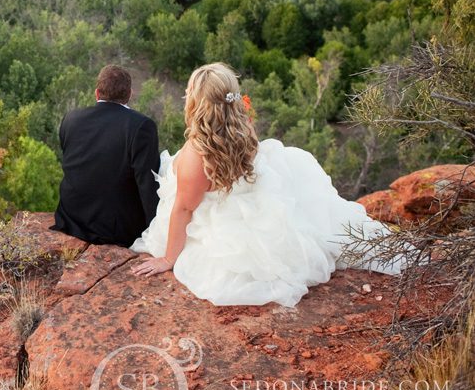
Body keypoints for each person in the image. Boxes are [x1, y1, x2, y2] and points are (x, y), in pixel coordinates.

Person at [130, 63, 404, 307]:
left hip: (222, 220)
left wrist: (168, 259)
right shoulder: (243, 127)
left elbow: (185, 209)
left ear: (198, 104)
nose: (185, 96)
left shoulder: (196, 154)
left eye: (189, 92)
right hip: (245, 196)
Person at [52, 65, 160, 246]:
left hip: (70, 219)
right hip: (115, 230)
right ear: (129, 94)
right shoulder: (141, 126)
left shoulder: (71, 118)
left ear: (97, 93)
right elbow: (147, 185)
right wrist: (156, 233)